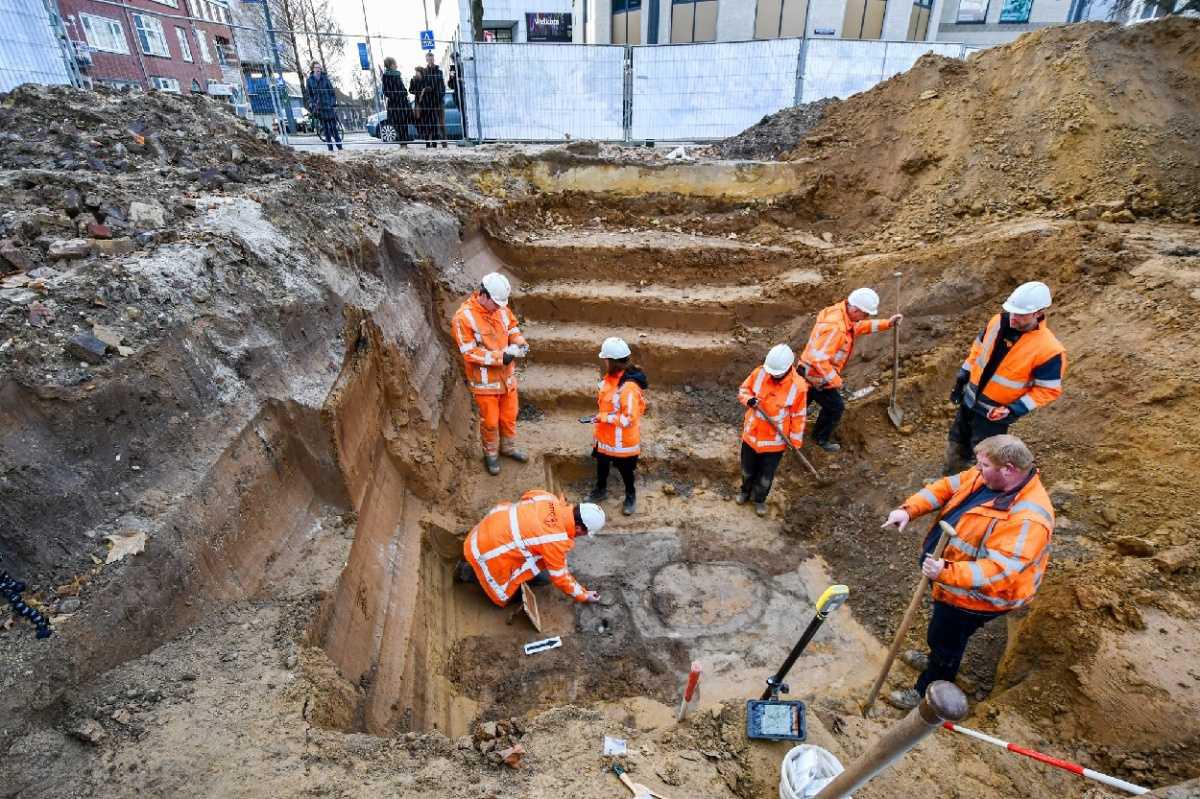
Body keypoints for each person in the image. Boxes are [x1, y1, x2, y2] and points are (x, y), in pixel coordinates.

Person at [880, 434, 1053, 709]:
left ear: (1008, 468)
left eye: (983, 464)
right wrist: (909, 510)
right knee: (940, 634)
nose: (977, 468)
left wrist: (945, 571)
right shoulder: (986, 475)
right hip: (950, 577)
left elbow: (998, 572)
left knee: (946, 640)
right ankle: (936, 658)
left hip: (976, 598)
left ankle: (930, 691)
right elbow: (946, 487)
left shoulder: (1028, 519)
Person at [945, 281, 1066, 474]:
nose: (1013, 318)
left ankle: (974, 491)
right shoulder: (997, 321)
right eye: (1012, 312)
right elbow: (978, 348)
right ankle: (949, 478)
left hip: (994, 414)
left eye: (1020, 314)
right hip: (970, 399)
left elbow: (1048, 390)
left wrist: (1013, 409)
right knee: (957, 438)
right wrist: (963, 375)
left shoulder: (1049, 349)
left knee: (986, 455)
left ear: (1038, 313)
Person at [456, 488, 606, 607]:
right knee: (544, 578)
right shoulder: (555, 541)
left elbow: (527, 495)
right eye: (585, 533)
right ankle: (469, 573)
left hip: (482, 532)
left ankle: (471, 564)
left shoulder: (549, 498)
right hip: (486, 551)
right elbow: (560, 577)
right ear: (579, 528)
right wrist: (584, 595)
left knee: (538, 557)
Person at [799, 288, 901, 452]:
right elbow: (818, 360)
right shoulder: (836, 328)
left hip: (808, 370)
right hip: (816, 374)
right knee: (835, 408)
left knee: (800, 403)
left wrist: (887, 323)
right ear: (854, 309)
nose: (866, 317)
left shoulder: (842, 313)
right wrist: (836, 381)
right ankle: (820, 438)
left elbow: (859, 326)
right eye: (865, 314)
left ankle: (785, 426)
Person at [451, 272, 529, 475]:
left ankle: (508, 448)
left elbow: (512, 328)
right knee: (491, 422)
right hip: (485, 384)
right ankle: (491, 454)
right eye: (495, 303)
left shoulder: (500, 309)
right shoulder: (463, 318)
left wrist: (519, 343)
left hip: (507, 379)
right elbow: (469, 353)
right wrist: (499, 358)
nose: (498, 308)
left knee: (509, 416)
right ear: (482, 294)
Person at [736, 344, 808, 517]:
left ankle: (759, 499)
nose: (773, 375)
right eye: (771, 372)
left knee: (765, 477)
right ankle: (745, 491)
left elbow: (799, 416)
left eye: (777, 373)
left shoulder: (798, 387)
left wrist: (795, 442)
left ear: (788, 367)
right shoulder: (760, 373)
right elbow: (743, 390)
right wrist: (749, 400)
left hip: (774, 443)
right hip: (751, 436)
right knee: (747, 469)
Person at [584, 337, 648, 516]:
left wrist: (602, 417)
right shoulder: (610, 379)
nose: (603, 361)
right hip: (605, 438)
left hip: (623, 443)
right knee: (602, 465)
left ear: (611, 361)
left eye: (605, 359)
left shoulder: (628, 387)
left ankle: (630, 495)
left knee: (626, 471)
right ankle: (600, 489)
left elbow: (628, 418)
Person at [304, 61, 342, 152]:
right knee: (326, 130)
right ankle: (330, 149)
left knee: (334, 128)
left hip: (329, 107)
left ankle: (340, 148)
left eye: (319, 68)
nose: (318, 69)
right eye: (316, 67)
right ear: (312, 69)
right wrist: (312, 105)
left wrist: (333, 103)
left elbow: (332, 93)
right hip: (319, 109)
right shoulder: (309, 81)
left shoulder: (326, 79)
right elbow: (309, 95)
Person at [380, 56, 413, 146]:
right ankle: (402, 144)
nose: (396, 65)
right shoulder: (386, 76)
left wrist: (404, 92)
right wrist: (398, 95)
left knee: (404, 124)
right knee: (398, 125)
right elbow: (386, 91)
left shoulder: (397, 74)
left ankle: (405, 144)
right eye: (394, 64)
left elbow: (402, 88)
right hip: (395, 104)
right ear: (390, 65)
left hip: (402, 103)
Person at [420, 52, 448, 147]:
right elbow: (423, 86)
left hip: (439, 101)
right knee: (431, 123)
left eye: (432, 59)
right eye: (429, 59)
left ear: (434, 59)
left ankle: (444, 143)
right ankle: (432, 143)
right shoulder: (424, 72)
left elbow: (442, 87)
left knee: (441, 123)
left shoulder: (439, 71)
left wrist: (439, 95)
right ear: (426, 60)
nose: (431, 61)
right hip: (429, 102)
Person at [409, 67, 429, 142]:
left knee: (427, 121)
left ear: (421, 72)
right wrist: (418, 92)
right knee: (417, 119)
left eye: (417, 72)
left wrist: (424, 91)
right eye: (415, 72)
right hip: (418, 103)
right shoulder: (413, 80)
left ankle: (427, 138)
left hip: (426, 103)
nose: (416, 73)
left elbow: (429, 88)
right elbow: (410, 90)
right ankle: (422, 134)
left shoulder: (425, 79)